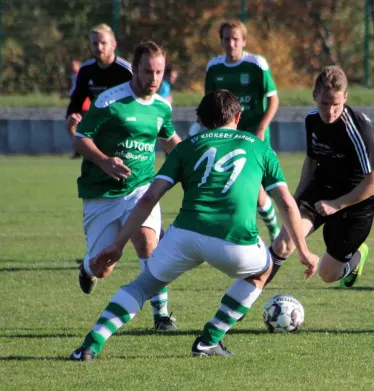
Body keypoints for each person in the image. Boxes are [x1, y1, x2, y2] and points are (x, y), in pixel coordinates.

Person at [69, 90, 319, 361]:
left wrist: (118, 244)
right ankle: (209, 339)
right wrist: (304, 251)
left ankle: (89, 345)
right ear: (238, 117)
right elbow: (287, 204)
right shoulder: (258, 146)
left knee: (142, 286)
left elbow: (150, 197)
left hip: (184, 235)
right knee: (263, 269)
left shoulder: (186, 147)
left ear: (199, 119)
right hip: (233, 240)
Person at [73, 41, 182, 330]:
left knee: (150, 245)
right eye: (148, 71)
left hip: (141, 189)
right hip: (102, 193)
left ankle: (161, 315)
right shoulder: (110, 102)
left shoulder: (161, 107)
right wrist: (104, 161)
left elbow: (172, 142)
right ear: (134, 69)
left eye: (159, 72)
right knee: (103, 265)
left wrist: (192, 165)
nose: (154, 79)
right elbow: (80, 138)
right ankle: (86, 269)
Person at [265, 66, 374, 289]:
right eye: (324, 104)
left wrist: (337, 204)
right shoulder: (312, 120)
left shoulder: (358, 129)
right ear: (314, 97)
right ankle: (245, 299)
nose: (330, 111)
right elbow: (311, 161)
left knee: (328, 274)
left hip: (358, 201)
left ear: (346, 98)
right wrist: (297, 197)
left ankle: (357, 257)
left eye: (336, 105)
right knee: (284, 243)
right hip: (323, 188)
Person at [202, 20, 281, 243]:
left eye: (236, 39)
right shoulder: (214, 68)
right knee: (229, 185)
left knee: (257, 186)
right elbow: (210, 103)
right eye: (227, 39)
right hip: (227, 137)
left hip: (253, 134)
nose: (231, 43)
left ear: (244, 41)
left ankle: (274, 230)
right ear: (221, 41)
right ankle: (235, 234)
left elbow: (273, 99)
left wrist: (262, 128)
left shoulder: (257, 65)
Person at [66, 24, 133, 158]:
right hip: (99, 133)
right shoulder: (86, 71)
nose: (99, 47)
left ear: (113, 44)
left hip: (126, 134)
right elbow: (76, 101)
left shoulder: (127, 71)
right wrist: (72, 116)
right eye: (95, 43)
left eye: (103, 43)